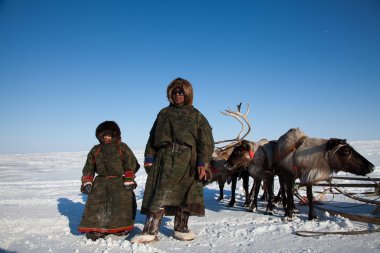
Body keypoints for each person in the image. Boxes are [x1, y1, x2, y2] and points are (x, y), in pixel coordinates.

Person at [131, 78, 214, 244]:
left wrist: (201, 163)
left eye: (181, 92)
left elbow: (206, 142)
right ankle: (150, 231)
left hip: (187, 160)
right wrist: (149, 158)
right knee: (159, 194)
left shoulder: (196, 115)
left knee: (185, 195)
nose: (177, 95)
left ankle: (181, 228)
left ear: (188, 94)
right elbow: (152, 137)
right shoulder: (164, 113)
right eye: (174, 92)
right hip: (165, 159)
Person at [78, 121, 140, 241]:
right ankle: (96, 229)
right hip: (100, 182)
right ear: (99, 136)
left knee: (121, 205)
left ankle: (121, 228)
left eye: (109, 135)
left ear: (115, 135)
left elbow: (131, 163)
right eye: (104, 135)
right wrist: (87, 181)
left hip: (119, 181)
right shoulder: (95, 149)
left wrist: (129, 178)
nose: (106, 137)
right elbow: (89, 167)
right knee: (96, 205)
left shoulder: (122, 147)